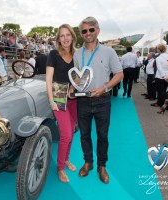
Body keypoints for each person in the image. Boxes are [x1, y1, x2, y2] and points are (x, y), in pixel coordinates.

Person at [73, 17, 123, 184]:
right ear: (81, 34)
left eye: (91, 30)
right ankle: (88, 162)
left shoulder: (109, 52)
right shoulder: (77, 54)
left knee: (103, 135)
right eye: (84, 31)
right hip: (83, 101)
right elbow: (77, 77)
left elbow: (119, 74)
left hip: (103, 100)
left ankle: (102, 166)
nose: (88, 33)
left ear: (97, 30)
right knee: (84, 135)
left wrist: (104, 87)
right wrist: (72, 88)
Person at [46, 24, 77, 183]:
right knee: (65, 134)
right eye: (62, 35)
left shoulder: (77, 55)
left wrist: (74, 85)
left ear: (72, 36)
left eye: (68, 35)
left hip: (74, 98)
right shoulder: (53, 54)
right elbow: (49, 80)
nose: (65, 38)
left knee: (71, 132)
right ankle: (60, 168)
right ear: (58, 38)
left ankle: (66, 159)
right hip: (58, 96)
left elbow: (78, 76)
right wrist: (51, 100)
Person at [151, 44, 168, 109]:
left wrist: (164, 76)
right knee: (164, 90)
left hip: (160, 77)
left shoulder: (158, 58)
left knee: (160, 91)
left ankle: (166, 101)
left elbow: (159, 68)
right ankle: (159, 103)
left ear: (159, 49)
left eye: (157, 48)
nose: (156, 49)